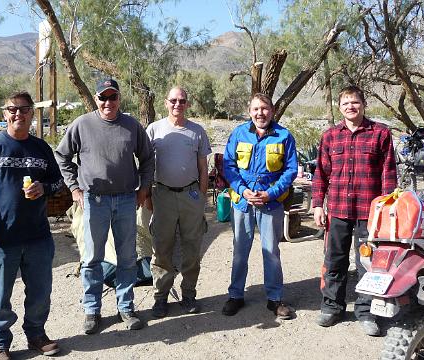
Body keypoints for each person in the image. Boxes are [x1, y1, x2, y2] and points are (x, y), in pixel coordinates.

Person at [0, 91, 65, 360]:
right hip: (1, 236)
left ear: (32, 114)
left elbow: (58, 183)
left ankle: (36, 335)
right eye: (12, 109)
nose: (18, 114)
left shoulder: (41, 148)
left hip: (37, 235)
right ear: (4, 113)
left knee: (40, 291)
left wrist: (43, 188)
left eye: (24, 109)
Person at [55, 78, 154, 335]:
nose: (108, 102)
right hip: (93, 200)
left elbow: (147, 158)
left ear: (119, 99)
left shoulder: (131, 125)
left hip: (125, 199)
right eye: (103, 97)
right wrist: (74, 188)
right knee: (91, 258)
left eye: (113, 97)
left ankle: (126, 307)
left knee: (127, 256)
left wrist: (144, 188)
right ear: (96, 99)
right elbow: (62, 155)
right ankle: (92, 310)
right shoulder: (82, 124)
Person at [311, 85, 396, 336]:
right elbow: (321, 174)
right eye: (346, 103)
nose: (351, 107)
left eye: (355, 102)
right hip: (337, 209)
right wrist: (317, 205)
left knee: (368, 264)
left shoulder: (380, 133)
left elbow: (388, 174)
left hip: (369, 212)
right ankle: (332, 307)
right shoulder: (330, 136)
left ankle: (366, 311)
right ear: (340, 107)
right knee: (334, 260)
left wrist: (386, 210)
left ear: (363, 104)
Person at [221, 93, 298, 319]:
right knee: (239, 252)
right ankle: (236, 295)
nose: (260, 113)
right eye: (256, 109)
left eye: (264, 108)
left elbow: (290, 170)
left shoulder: (284, 136)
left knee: (272, 252)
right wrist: (242, 190)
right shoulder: (239, 133)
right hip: (243, 202)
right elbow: (229, 165)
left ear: (272, 111)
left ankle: (274, 299)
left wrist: (270, 194)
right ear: (249, 111)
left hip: (270, 203)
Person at [145, 86, 212, 318]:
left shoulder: (197, 131)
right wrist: (146, 197)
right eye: (173, 100)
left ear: (187, 103)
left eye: (182, 101)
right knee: (161, 248)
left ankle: (189, 295)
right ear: (166, 103)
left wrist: (201, 197)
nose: (177, 104)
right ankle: (161, 298)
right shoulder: (153, 130)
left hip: (190, 195)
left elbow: (203, 167)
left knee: (192, 248)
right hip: (161, 194)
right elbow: (145, 165)